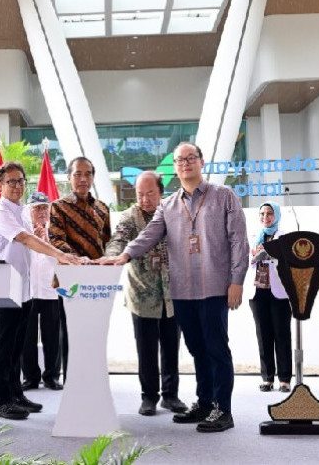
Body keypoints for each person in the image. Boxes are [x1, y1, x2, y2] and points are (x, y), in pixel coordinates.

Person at [99, 142, 249, 433]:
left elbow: (239, 242)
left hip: (215, 288)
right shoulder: (168, 205)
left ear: (201, 162)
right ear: (175, 168)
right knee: (197, 349)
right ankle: (205, 403)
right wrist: (124, 255)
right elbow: (149, 235)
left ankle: (223, 410)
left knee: (216, 349)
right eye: (179, 160)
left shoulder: (224, 197)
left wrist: (236, 281)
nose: (185, 164)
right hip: (182, 291)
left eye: (190, 158)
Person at [0, 162, 81, 420]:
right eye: (11, 182)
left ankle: (16, 394)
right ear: (0, 186)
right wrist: (60, 254)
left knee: (18, 345)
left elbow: (34, 240)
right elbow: (25, 239)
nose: (17, 186)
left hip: (25, 288)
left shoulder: (20, 210)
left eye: (20, 181)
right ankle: (1, 401)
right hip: (5, 287)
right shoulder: (0, 212)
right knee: (4, 346)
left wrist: (53, 246)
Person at [104, 171, 187, 416]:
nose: (145, 199)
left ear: (161, 191)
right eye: (140, 194)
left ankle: (170, 396)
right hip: (142, 294)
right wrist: (111, 257)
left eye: (150, 193)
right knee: (147, 348)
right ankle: (148, 397)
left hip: (173, 294)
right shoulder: (130, 216)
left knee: (171, 347)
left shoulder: (175, 211)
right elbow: (117, 239)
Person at [49, 156, 111, 379]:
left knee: (95, 335)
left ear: (93, 178)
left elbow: (108, 243)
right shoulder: (58, 207)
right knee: (71, 335)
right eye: (78, 174)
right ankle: (72, 385)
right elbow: (56, 241)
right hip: (70, 280)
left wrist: (110, 260)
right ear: (69, 177)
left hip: (99, 282)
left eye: (88, 174)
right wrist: (80, 260)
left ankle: (94, 381)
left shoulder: (103, 209)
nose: (83, 179)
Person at [21, 192, 63, 392]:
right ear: (28, 211)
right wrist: (33, 241)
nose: (41, 212)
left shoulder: (57, 232)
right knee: (26, 337)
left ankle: (52, 377)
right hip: (27, 291)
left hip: (50, 291)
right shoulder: (21, 232)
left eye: (44, 208)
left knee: (52, 336)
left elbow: (62, 260)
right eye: (36, 208)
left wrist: (46, 242)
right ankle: (30, 377)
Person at [249, 202, 292, 393]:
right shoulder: (254, 236)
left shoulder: (284, 236)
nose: (265, 217)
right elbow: (246, 261)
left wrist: (270, 255)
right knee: (262, 335)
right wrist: (253, 257)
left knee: (281, 334)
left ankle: (284, 379)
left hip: (279, 291)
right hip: (258, 291)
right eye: (262, 213)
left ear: (277, 215)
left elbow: (289, 261)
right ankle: (267, 378)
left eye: (269, 213)